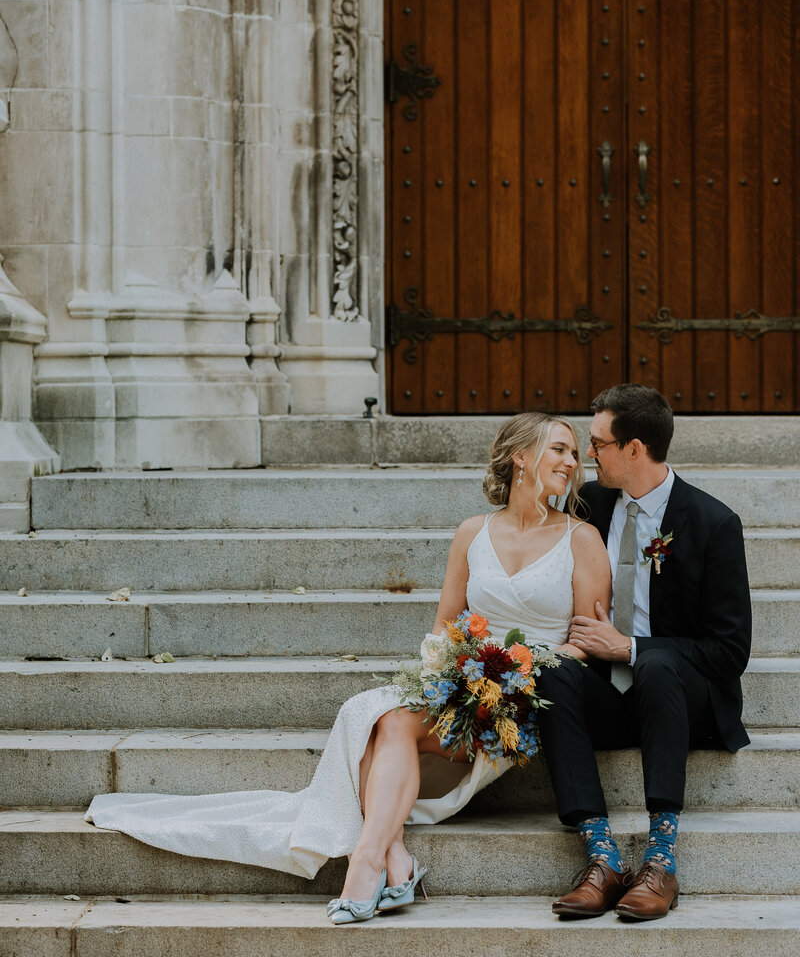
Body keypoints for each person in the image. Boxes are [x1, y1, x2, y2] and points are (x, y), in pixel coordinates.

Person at [86, 412, 610, 924]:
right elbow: (446, 628)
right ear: (521, 456)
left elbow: (585, 644)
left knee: (384, 723)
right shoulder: (472, 532)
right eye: (559, 448)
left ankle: (371, 863)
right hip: (462, 683)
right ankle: (390, 859)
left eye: (574, 452)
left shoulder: (580, 538)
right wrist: (441, 682)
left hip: (527, 698)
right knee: (378, 717)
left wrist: (514, 675)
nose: (572, 461)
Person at [535, 383, 752, 922]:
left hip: (681, 702)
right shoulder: (589, 507)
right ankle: (602, 855)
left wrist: (630, 647)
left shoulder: (713, 523)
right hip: (610, 699)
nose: (589, 455)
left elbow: (729, 651)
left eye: (598, 444)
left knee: (653, 662)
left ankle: (660, 859)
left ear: (634, 448)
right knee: (554, 669)